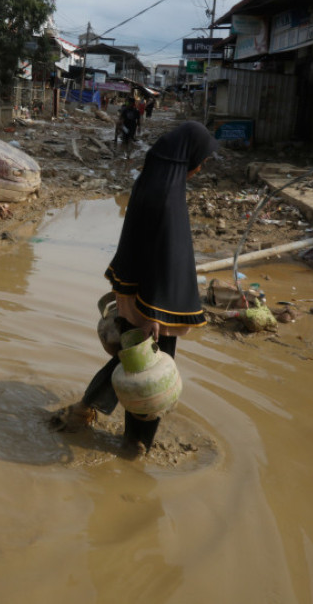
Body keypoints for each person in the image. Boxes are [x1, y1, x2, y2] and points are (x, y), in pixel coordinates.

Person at [51, 122, 218, 454]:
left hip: (137, 294)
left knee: (130, 361)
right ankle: (135, 444)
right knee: (150, 372)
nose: (201, 167)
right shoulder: (167, 195)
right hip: (155, 306)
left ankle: (83, 410)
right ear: (187, 157)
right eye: (201, 160)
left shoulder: (152, 183)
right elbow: (162, 255)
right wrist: (154, 315)